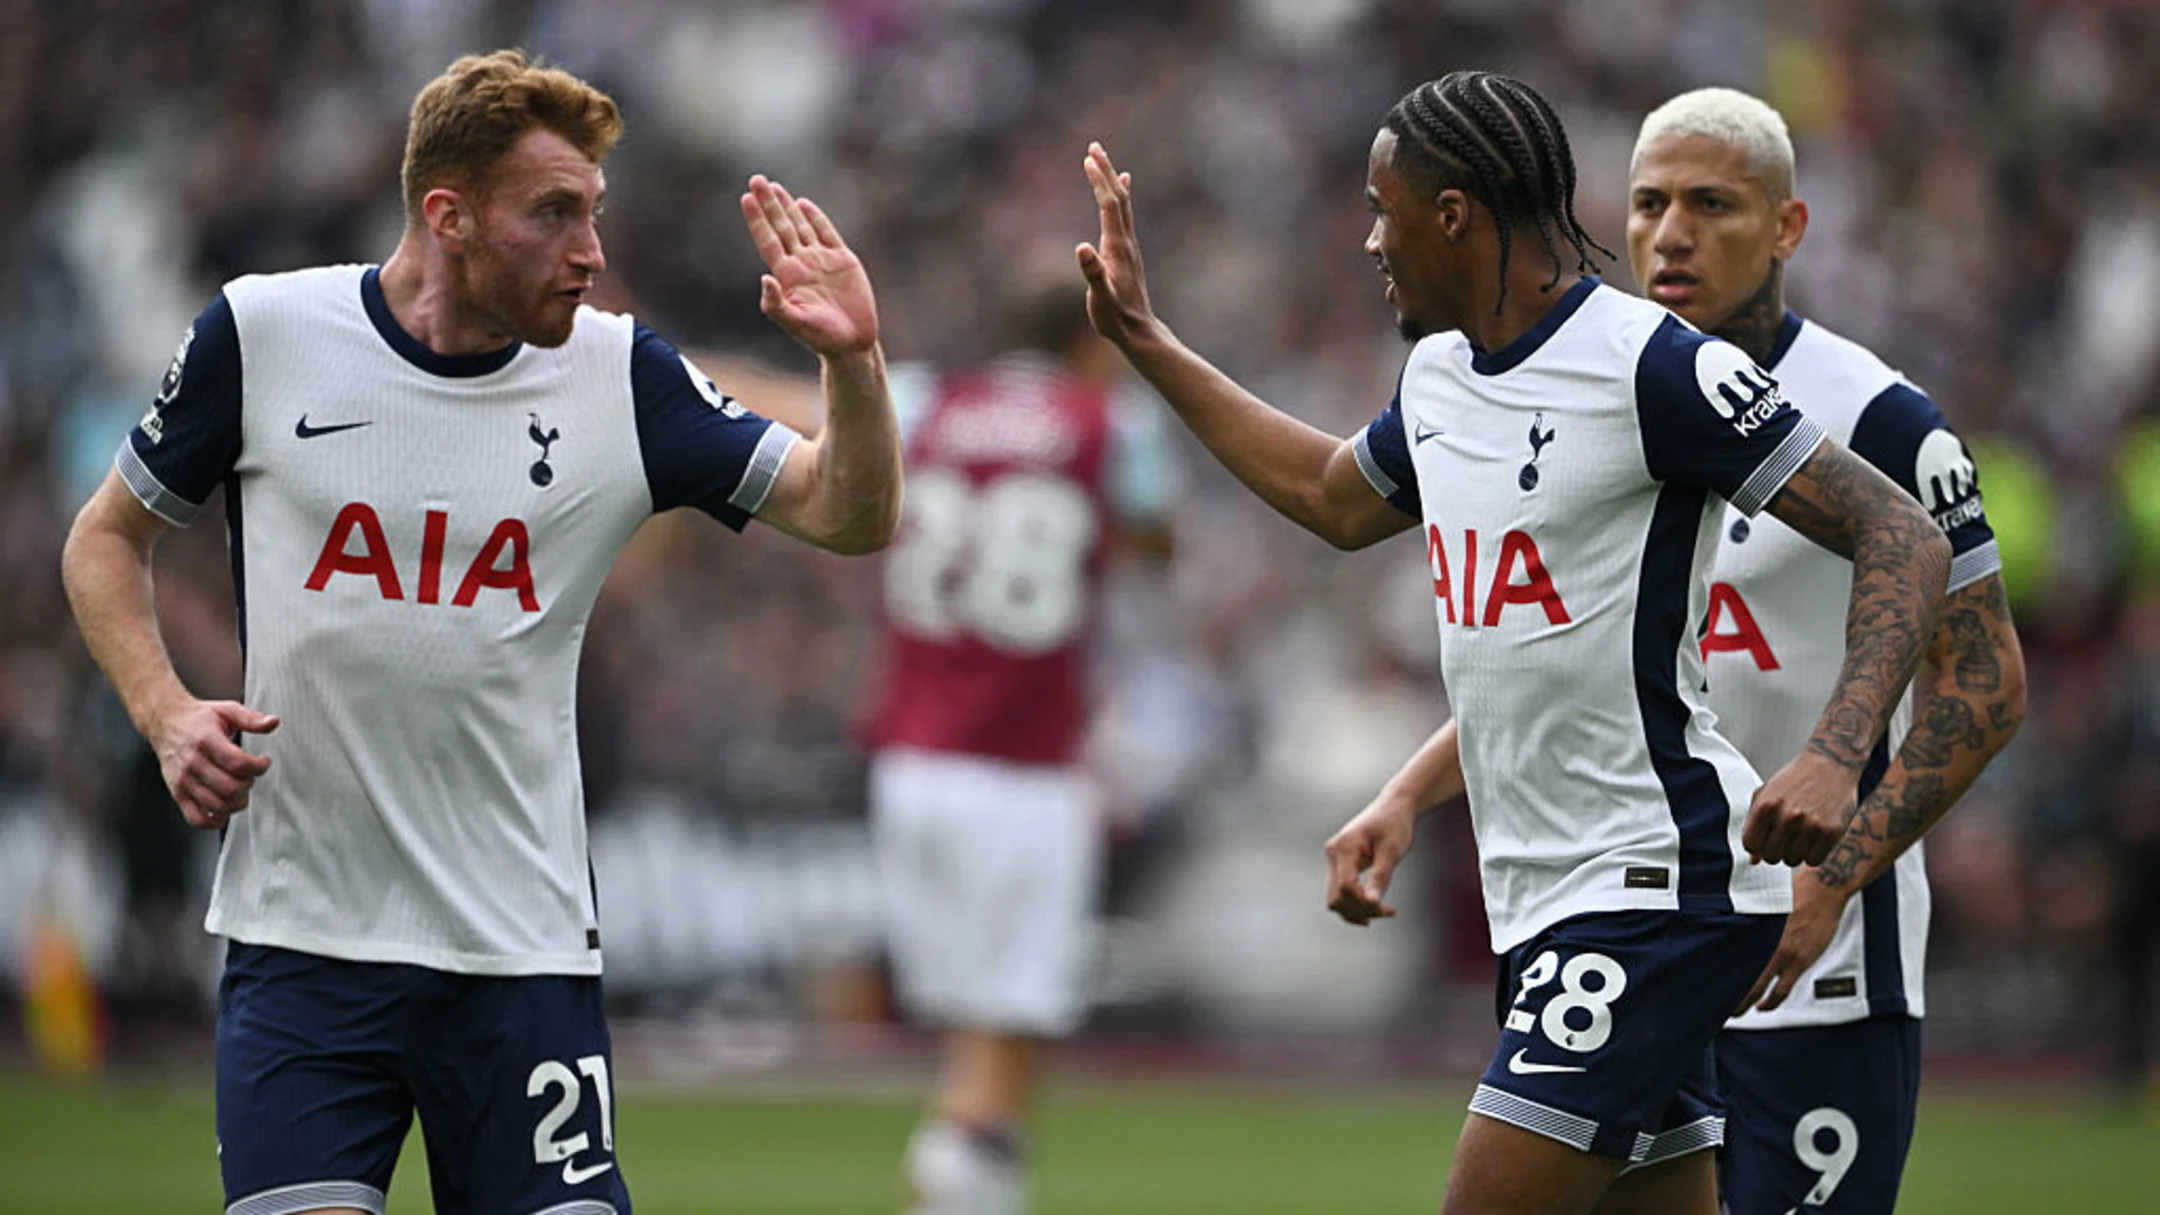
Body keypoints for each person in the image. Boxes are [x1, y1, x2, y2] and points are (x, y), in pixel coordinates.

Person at [1077, 70, 1950, 1215]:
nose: (1371, 240)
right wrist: (1146, 340)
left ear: (1455, 216)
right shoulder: (1441, 375)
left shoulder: (1655, 365)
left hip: (1653, 888)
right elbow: (1333, 499)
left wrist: (1840, 749)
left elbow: (1901, 532)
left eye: (1385, 210)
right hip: (1548, 897)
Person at [59, 49, 901, 1215]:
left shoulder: (620, 377)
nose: (591, 251)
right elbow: (102, 540)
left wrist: (854, 366)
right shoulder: (262, 335)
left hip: (524, 961)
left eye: (594, 213)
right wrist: (163, 713)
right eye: (554, 214)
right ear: (447, 217)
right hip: (306, 947)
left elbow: (850, 516)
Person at [1335, 87, 2030, 1214]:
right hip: (1662, 919)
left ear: (1789, 228)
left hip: (1820, 972)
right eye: (1650, 203)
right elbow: (1587, 659)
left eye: (1711, 204)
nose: (1670, 233)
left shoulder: (1882, 422)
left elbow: (1987, 685)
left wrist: (1835, 872)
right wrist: (1410, 795)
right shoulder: (1612, 383)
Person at [861, 258, 1178, 1215]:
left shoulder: (927, 404)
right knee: (1005, 1049)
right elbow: (1155, 544)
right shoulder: (1111, 425)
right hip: (1025, 769)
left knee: (975, 1042)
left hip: (910, 758)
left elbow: (814, 418)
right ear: (1093, 342)